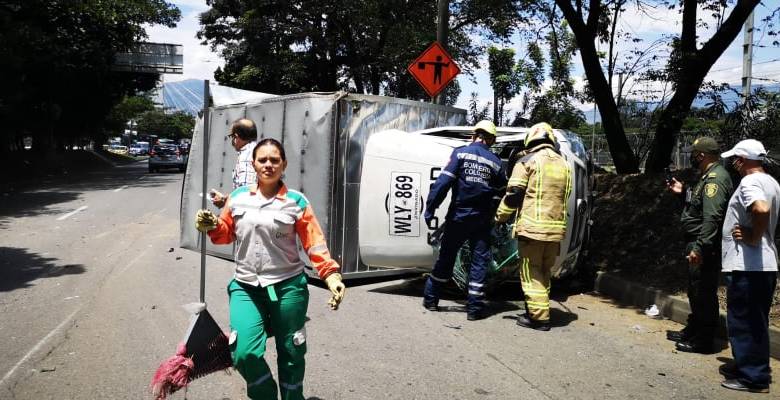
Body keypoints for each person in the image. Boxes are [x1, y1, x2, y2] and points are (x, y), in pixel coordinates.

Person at [195, 138, 346, 400]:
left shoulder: (296, 201)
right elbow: (224, 235)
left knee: (292, 350)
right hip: (245, 287)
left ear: (284, 164)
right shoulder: (238, 198)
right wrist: (212, 226)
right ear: (253, 163)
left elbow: (315, 242)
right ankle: (265, 394)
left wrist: (330, 275)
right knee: (243, 352)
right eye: (262, 159)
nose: (268, 164)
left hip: (288, 287)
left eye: (274, 160)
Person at [422, 120, 506, 321]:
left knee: (447, 257)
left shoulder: (460, 153)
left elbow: (442, 183)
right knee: (479, 263)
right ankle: (474, 310)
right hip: (482, 221)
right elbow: (503, 191)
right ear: (491, 140)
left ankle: (431, 300)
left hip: (458, 217)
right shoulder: (496, 162)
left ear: (474, 135)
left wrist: (430, 208)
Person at [495, 122, 570, 331]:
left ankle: (538, 318)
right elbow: (565, 195)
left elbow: (514, 195)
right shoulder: (564, 164)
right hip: (555, 230)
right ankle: (537, 309)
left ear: (531, 140)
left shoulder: (527, 160)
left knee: (531, 272)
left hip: (532, 229)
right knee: (544, 271)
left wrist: (500, 217)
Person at [718, 139, 778, 393]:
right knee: (755, 319)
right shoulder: (772, 182)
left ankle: (753, 378)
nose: (733, 163)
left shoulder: (750, 182)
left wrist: (753, 236)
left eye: (735, 159)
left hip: (749, 263)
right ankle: (747, 364)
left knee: (744, 321)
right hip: (764, 264)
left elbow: (761, 209)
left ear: (742, 160)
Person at [665, 137, 733, 353]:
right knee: (695, 290)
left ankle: (704, 340)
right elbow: (698, 203)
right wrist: (682, 190)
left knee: (703, 292)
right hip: (697, 242)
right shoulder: (707, 177)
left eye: (693, 154)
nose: (691, 157)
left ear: (701, 155)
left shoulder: (715, 179)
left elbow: (712, 218)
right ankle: (693, 330)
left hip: (704, 245)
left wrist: (700, 247)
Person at [210, 118, 259, 208]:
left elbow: (246, 193)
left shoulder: (246, 156)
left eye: (231, 136)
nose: (232, 140)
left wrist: (225, 202)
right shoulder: (256, 150)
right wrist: (227, 197)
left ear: (236, 137)